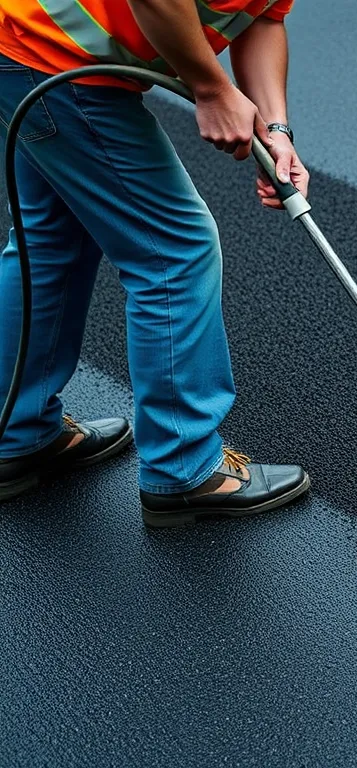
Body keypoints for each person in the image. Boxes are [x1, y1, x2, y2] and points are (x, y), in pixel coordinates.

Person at [0, 0, 311, 526]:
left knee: (51, 239)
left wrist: (277, 130)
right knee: (174, 250)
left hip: (27, 50)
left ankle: (16, 432)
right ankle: (183, 467)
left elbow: (262, 17)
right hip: (56, 59)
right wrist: (212, 90)